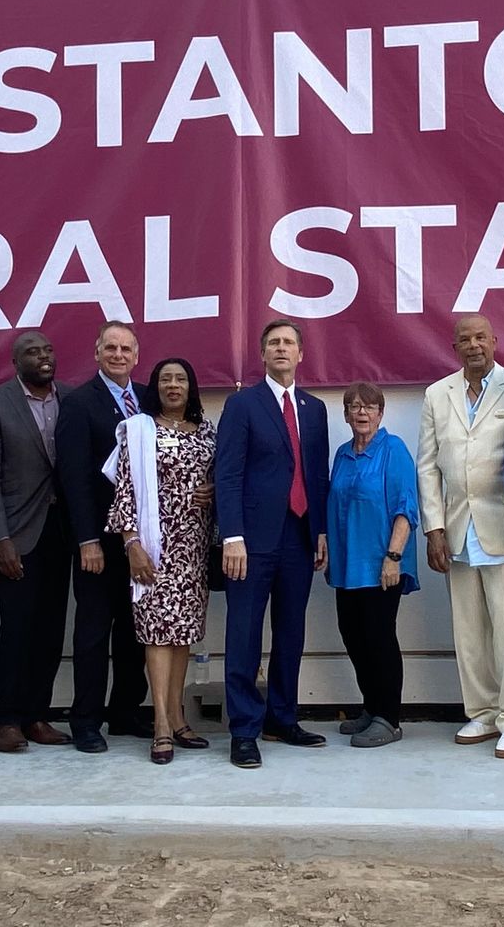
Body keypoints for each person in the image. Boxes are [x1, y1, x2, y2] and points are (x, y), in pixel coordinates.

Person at [216, 318, 332, 768]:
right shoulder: (243, 405)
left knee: (290, 633)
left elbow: (316, 476)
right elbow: (227, 475)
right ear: (263, 354)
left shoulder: (315, 408)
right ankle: (244, 729)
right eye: (273, 343)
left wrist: (319, 530)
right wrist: (232, 536)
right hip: (251, 539)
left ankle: (281, 718)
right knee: (244, 633)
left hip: (299, 537)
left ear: (301, 353)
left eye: (289, 343)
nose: (282, 349)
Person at [417, 314, 504, 760]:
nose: (473, 345)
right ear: (454, 346)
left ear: (495, 340)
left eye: (480, 337)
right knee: (468, 629)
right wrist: (433, 528)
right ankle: (483, 712)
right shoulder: (437, 393)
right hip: (456, 527)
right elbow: (427, 465)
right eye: (464, 339)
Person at [106, 357, 218, 764]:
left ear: (191, 387)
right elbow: (124, 491)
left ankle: (178, 715)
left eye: (181, 378)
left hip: (193, 548)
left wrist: (213, 489)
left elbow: (220, 475)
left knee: (184, 632)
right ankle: (160, 726)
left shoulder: (206, 430)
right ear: (155, 386)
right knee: (156, 633)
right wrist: (132, 543)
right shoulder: (138, 430)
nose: (174, 385)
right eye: (166, 378)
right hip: (154, 548)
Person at [55, 322, 158, 753]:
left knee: (136, 630)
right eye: (110, 348)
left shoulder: (148, 401)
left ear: (136, 356)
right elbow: (73, 478)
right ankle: (86, 721)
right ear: (97, 353)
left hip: (142, 541)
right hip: (98, 540)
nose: (118, 355)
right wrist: (86, 540)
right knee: (94, 631)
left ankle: (125, 711)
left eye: (126, 349)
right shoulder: (80, 404)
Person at [0, 331, 76, 752]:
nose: (43, 356)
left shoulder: (71, 398)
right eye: (32, 352)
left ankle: (37, 714)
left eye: (48, 349)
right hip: (16, 533)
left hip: (61, 529)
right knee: (18, 626)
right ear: (16, 362)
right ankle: (6, 718)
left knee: (51, 628)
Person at [326, 381, 421, 749]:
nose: (361, 412)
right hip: (347, 566)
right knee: (354, 638)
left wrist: (393, 557)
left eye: (368, 406)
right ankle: (370, 708)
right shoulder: (342, 454)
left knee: (380, 639)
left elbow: (405, 506)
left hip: (382, 565)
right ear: (346, 414)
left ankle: (389, 718)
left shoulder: (393, 449)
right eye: (353, 406)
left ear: (381, 413)